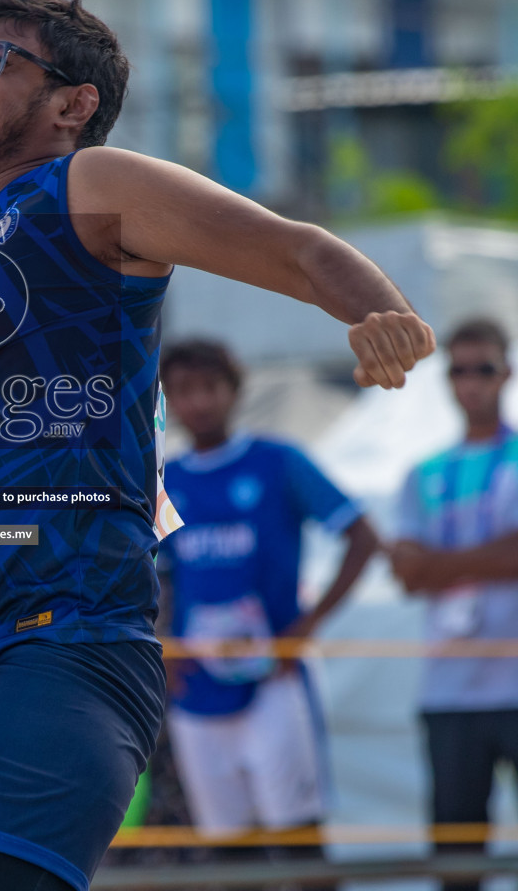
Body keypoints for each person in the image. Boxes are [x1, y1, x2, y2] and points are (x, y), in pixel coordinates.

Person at [0, 0, 435, 891]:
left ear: (73, 104)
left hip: (56, 659)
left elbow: (297, 247)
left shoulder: (89, 189)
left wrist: (381, 312)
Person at [158, 339, 380, 882]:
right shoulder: (167, 480)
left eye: (209, 388)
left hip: (274, 679)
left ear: (234, 391)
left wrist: (308, 625)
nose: (198, 403)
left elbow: (363, 537)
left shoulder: (278, 461)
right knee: (230, 854)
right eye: (183, 391)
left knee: (300, 843)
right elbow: (159, 577)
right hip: (197, 687)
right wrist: (161, 644)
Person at [388, 318, 518, 891]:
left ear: (508, 374)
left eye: (484, 369)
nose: (471, 383)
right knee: (457, 864)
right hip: (449, 692)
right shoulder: (422, 472)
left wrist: (437, 566)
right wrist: (487, 558)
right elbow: (406, 571)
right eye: (459, 371)